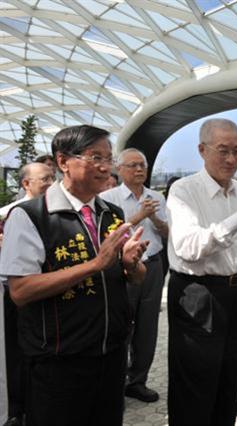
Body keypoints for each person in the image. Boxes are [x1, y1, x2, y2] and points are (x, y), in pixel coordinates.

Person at [0, 125, 148, 426]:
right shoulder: (30, 216)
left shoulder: (112, 213)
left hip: (111, 353)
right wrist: (96, 264)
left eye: (109, 157)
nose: (106, 167)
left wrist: (131, 265)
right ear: (63, 161)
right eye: (95, 157)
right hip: (59, 361)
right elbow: (20, 290)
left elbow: (134, 278)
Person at [166, 119, 237, 426]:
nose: (231, 160)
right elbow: (188, 247)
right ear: (202, 150)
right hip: (197, 295)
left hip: (236, 292)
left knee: (229, 379)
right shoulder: (184, 191)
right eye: (223, 151)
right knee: (194, 384)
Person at [101, 148, 169, 403]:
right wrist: (138, 217)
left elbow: (166, 233)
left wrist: (154, 218)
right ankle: (116, 382)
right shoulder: (108, 198)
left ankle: (138, 380)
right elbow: (108, 236)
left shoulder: (157, 197)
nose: (139, 170)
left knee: (147, 326)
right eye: (133, 165)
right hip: (122, 268)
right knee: (121, 324)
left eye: (143, 165)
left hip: (153, 265)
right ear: (119, 169)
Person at [0, 162, 54, 426]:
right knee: (18, 355)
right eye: (45, 178)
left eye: (53, 178)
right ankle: (17, 410)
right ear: (26, 184)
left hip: (48, 295)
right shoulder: (13, 213)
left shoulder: (55, 212)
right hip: (17, 294)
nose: (51, 184)